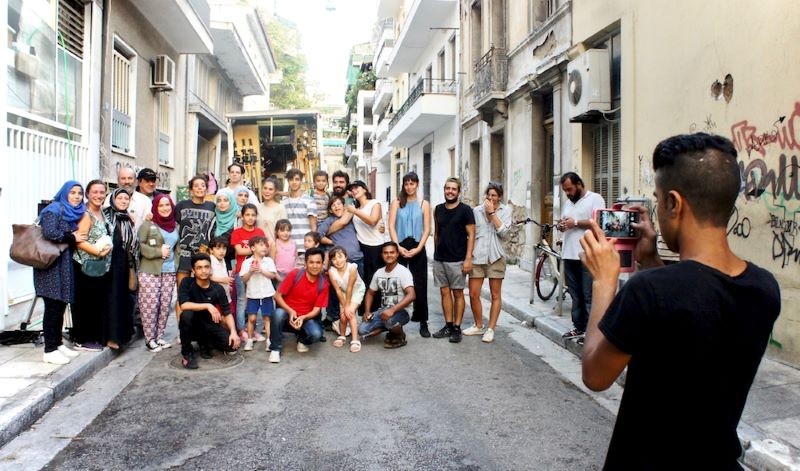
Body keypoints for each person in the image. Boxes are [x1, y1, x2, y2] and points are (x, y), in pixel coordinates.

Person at [579, 133, 781, 469]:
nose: (657, 210)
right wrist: (652, 262)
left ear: (674, 203)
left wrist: (604, 282)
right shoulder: (764, 288)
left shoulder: (649, 292)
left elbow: (595, 375)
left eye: (658, 200)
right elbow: (698, 306)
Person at [34, 181, 87, 364]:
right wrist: (72, 237)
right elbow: (50, 233)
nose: (77, 196)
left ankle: (57, 344)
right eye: (72, 192)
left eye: (80, 193)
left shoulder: (71, 213)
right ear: (64, 193)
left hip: (63, 264)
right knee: (53, 307)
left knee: (61, 304)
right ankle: (49, 350)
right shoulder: (54, 209)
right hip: (50, 265)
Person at [556, 171, 605, 343]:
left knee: (588, 294)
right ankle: (579, 327)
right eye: (565, 191)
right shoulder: (568, 203)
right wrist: (561, 227)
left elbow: (598, 222)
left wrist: (575, 223)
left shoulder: (595, 199)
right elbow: (564, 222)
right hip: (568, 254)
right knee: (575, 294)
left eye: (569, 189)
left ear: (578, 184)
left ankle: (592, 332)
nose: (568, 193)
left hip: (587, 254)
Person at [465, 182, 512, 343]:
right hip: (477, 256)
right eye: (488, 195)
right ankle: (479, 325)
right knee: (473, 293)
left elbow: (505, 234)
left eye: (494, 195)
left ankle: (491, 329)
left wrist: (492, 214)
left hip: (496, 257)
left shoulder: (506, 211)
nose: (490, 198)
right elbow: (470, 234)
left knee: (495, 295)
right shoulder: (476, 211)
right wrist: (468, 256)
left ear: (499, 197)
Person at [178, 253, 241, 369]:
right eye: (199, 268)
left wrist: (233, 332)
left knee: (233, 347)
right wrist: (207, 305)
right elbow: (184, 305)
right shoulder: (187, 283)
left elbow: (227, 313)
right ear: (193, 270)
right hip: (192, 325)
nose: (203, 271)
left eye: (206, 267)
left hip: (209, 324)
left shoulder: (218, 289)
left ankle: (206, 344)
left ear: (210, 269)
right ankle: (187, 353)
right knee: (186, 315)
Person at [431, 178, 475, 343]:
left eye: (453, 189)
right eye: (447, 188)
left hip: (458, 259)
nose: (450, 191)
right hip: (440, 258)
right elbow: (437, 233)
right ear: (444, 190)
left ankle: (457, 328)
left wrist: (468, 258)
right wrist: (436, 252)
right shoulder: (438, 209)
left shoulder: (465, 210)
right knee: (444, 292)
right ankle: (448, 325)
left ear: (458, 192)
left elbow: (471, 235)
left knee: (457, 293)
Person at [388, 171, 431, 338]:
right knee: (398, 285)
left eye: (412, 183)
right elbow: (391, 226)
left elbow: (427, 228)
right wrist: (397, 247)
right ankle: (396, 322)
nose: (409, 186)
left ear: (417, 184)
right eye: (406, 184)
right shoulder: (397, 203)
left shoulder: (424, 204)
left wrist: (419, 248)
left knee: (420, 284)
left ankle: (423, 322)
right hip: (400, 246)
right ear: (403, 185)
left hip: (417, 247)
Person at [71, 180, 112, 352]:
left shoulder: (102, 213)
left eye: (102, 192)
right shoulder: (86, 214)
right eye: (94, 192)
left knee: (96, 303)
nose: (98, 195)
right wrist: (97, 252)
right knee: (84, 304)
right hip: (85, 266)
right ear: (87, 194)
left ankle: (94, 337)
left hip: (100, 267)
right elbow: (80, 241)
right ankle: (82, 339)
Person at [268, 247, 329, 363]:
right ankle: (275, 348)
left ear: (322, 264)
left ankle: (302, 339)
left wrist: (303, 317)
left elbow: (316, 310)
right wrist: (290, 311)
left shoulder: (323, 284)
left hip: (306, 317)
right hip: (287, 313)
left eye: (318, 262)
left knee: (316, 334)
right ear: (306, 264)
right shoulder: (295, 274)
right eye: (311, 262)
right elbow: (277, 296)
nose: (315, 266)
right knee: (277, 314)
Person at [137, 194, 179, 352]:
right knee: (150, 305)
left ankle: (159, 336)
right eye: (160, 205)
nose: (165, 208)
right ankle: (150, 339)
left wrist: (175, 263)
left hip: (169, 272)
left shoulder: (175, 226)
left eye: (167, 205)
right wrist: (157, 251)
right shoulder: (148, 224)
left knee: (164, 305)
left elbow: (177, 247)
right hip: (150, 271)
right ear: (155, 207)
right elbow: (140, 246)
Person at [357, 242, 416, 349]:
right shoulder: (379, 273)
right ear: (382, 255)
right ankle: (389, 328)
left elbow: (411, 295)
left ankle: (399, 336)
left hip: (403, 311)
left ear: (397, 254)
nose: (389, 255)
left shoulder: (403, 272)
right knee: (362, 330)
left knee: (389, 320)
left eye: (392, 252)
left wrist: (392, 310)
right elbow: (370, 293)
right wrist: (367, 311)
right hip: (384, 310)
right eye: (386, 253)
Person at [175, 175, 216, 317]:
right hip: (185, 254)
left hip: (203, 255)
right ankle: (182, 330)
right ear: (191, 190)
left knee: (202, 292)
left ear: (206, 188)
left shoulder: (212, 207)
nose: (200, 188)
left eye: (202, 185)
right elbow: (172, 225)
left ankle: (199, 328)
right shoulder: (181, 206)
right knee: (182, 292)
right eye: (196, 185)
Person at [103, 188, 138, 350]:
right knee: (113, 300)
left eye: (126, 198)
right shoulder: (107, 216)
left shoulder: (127, 218)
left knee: (125, 300)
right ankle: (111, 337)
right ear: (113, 199)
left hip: (126, 263)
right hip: (111, 264)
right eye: (120, 198)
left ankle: (123, 335)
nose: (124, 201)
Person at [345, 180, 385, 313]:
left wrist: (355, 211)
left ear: (365, 189)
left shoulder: (374, 203)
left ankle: (378, 313)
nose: (354, 190)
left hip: (376, 247)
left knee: (377, 281)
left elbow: (373, 221)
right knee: (364, 282)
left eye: (357, 187)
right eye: (352, 189)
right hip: (362, 247)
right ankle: (366, 314)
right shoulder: (354, 206)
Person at [230, 204, 268, 342]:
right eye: (247, 215)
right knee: (241, 300)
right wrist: (256, 250)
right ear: (242, 216)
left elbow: (265, 250)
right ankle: (241, 329)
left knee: (255, 300)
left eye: (253, 215)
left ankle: (253, 330)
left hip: (258, 271)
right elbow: (239, 251)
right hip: (242, 271)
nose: (250, 218)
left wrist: (257, 250)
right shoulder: (237, 233)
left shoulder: (260, 232)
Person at [239, 236, 278, 351]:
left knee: (267, 317)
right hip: (252, 294)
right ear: (252, 248)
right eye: (261, 245)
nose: (264, 247)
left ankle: (269, 340)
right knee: (251, 318)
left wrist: (262, 270)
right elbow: (243, 279)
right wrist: (251, 271)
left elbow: (272, 275)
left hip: (267, 293)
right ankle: (250, 339)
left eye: (265, 245)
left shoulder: (269, 261)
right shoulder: (247, 262)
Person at [327, 246, 364, 353]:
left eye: (340, 257)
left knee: (350, 313)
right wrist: (344, 307)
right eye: (334, 259)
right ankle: (342, 336)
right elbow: (338, 291)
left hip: (356, 290)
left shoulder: (352, 268)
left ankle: (355, 340)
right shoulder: (331, 271)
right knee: (343, 316)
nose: (337, 261)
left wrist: (347, 307)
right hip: (343, 292)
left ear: (346, 257)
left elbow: (350, 288)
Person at [281, 168, 317, 258]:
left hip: (306, 247)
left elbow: (313, 227)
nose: (294, 182)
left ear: (301, 181)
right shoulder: (283, 203)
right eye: (291, 179)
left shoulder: (309, 200)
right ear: (288, 181)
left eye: (297, 179)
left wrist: (313, 247)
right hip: (289, 247)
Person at [257, 177, 288, 243]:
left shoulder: (280, 208)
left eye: (270, 189)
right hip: (258, 248)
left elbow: (284, 231)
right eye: (265, 188)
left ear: (275, 191)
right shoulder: (257, 207)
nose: (267, 191)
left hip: (274, 248)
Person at [209, 236, 234, 310]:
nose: (221, 251)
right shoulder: (210, 260)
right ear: (211, 250)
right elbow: (208, 277)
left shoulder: (223, 260)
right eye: (218, 248)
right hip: (215, 297)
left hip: (225, 295)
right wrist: (223, 280)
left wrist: (228, 285)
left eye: (224, 248)